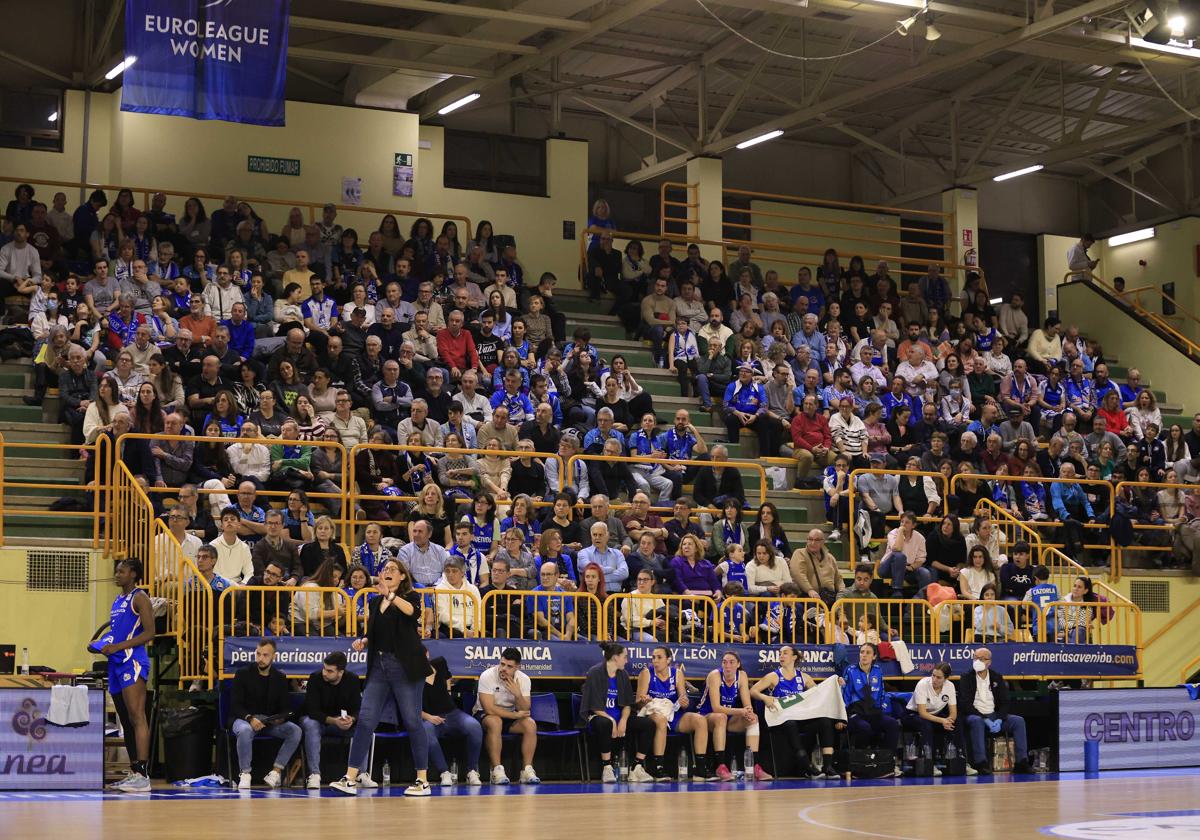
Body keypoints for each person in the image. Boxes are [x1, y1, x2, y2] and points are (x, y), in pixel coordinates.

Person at [331, 559, 435, 797]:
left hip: (405, 667)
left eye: (392, 570)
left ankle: (422, 780)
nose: (387, 572)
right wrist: (364, 640)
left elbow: (411, 614)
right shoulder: (375, 601)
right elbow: (375, 631)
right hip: (379, 665)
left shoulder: (410, 597)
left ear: (401, 577)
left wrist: (390, 595)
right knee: (366, 720)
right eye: (384, 569)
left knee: (412, 721)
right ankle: (350, 777)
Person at [94, 559, 155, 793]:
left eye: (121, 571)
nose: (116, 574)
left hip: (132, 660)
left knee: (137, 716)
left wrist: (118, 647)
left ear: (133, 574)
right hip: (116, 663)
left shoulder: (140, 597)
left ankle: (143, 774)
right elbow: (117, 634)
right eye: (116, 570)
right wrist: (101, 644)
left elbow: (150, 633)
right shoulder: (118, 600)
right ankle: (133, 772)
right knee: (126, 720)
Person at [750, 644, 837, 778]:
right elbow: (753, 691)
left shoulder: (804, 677)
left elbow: (819, 693)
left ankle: (828, 767)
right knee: (791, 724)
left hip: (800, 716)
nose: (781, 656)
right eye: (780, 654)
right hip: (781, 719)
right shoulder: (774, 676)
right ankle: (807, 767)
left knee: (825, 721)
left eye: (785, 653)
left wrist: (836, 683)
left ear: (794, 657)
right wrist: (765, 697)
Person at [230, 638, 303, 790]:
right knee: (244, 730)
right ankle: (245, 774)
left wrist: (280, 718)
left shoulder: (280, 678)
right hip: (245, 719)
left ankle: (276, 772)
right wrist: (250, 718)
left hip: (268, 722)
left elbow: (284, 707)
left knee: (295, 730)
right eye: (258, 654)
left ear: (273, 657)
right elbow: (236, 705)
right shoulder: (243, 674)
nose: (260, 659)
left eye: (265, 655)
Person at [579, 642, 653, 783]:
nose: (627, 660)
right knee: (604, 724)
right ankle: (607, 767)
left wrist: (623, 720)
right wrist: (613, 721)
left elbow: (626, 704)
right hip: (599, 715)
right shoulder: (595, 673)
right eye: (624, 657)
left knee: (648, 724)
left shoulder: (623, 674)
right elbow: (594, 706)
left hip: (619, 716)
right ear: (615, 657)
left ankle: (636, 767)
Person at [636, 646, 711, 781]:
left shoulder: (677, 674)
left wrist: (684, 702)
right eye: (653, 658)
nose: (655, 661)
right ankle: (659, 768)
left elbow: (683, 699)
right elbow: (637, 702)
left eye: (659, 658)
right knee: (660, 720)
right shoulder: (646, 673)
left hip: (672, 713)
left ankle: (700, 769)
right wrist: (644, 700)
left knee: (700, 720)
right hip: (653, 712)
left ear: (668, 660)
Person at [958, 647, 1032, 775]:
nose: (978, 661)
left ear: (989, 662)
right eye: (975, 658)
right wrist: (984, 719)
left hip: (994, 715)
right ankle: (981, 763)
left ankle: (1022, 762)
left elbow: (1005, 702)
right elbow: (965, 704)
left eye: (982, 659)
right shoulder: (966, 677)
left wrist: (999, 718)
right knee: (977, 721)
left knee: (1018, 721)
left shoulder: (996, 677)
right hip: (974, 716)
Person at [474, 646, 540, 785]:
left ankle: (527, 770)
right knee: (495, 721)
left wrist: (518, 694)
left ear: (517, 667)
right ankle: (497, 770)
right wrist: (515, 716)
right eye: (502, 664)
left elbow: (525, 709)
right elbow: (489, 708)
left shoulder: (524, 679)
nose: (504, 668)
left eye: (509, 666)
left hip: (511, 715)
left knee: (530, 724)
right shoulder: (487, 676)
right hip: (485, 715)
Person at [699, 651, 769, 781]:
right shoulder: (715, 675)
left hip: (727, 718)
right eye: (724, 662)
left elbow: (748, 706)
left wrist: (748, 712)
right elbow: (716, 708)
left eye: (731, 662)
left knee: (753, 718)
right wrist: (741, 711)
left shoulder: (742, 675)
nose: (727, 665)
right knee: (720, 717)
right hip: (706, 717)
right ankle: (720, 766)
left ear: (738, 664)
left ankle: (754, 767)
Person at [300, 651, 362, 789]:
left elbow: (358, 708)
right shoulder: (315, 678)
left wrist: (351, 719)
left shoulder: (352, 679)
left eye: (329, 671)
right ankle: (314, 775)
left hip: (342, 723)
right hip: (319, 721)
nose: (324, 673)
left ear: (340, 672)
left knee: (363, 726)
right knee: (311, 725)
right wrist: (334, 721)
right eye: (324, 668)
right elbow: (312, 710)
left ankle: (359, 775)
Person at [422, 654, 485, 786]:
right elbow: (409, 707)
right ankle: (444, 772)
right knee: (426, 731)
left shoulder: (438, 663)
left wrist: (448, 691)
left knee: (474, 726)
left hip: (452, 713)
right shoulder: (410, 679)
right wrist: (429, 717)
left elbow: (447, 678)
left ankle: (472, 771)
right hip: (430, 717)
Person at [842, 642, 900, 776]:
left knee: (892, 724)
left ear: (874, 656)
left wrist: (880, 711)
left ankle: (887, 763)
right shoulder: (850, 670)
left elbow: (881, 693)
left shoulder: (878, 670)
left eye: (868, 652)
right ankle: (861, 763)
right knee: (864, 728)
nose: (864, 655)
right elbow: (845, 694)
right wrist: (844, 716)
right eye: (862, 652)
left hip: (873, 711)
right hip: (855, 711)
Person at [902, 662, 966, 774]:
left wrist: (949, 721)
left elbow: (953, 713)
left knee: (957, 722)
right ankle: (929, 763)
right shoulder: (922, 684)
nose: (934, 679)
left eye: (939, 677)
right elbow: (922, 713)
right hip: (913, 715)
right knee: (925, 724)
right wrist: (943, 721)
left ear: (946, 679)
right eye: (933, 675)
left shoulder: (950, 686)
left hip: (934, 716)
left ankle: (961, 761)